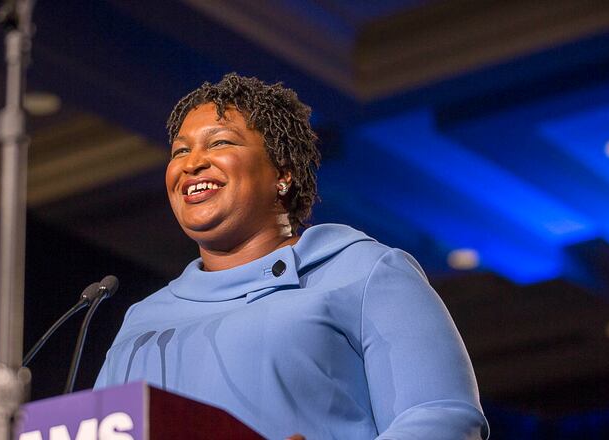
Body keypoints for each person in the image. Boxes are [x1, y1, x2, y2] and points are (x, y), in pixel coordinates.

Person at [94, 73, 489, 439]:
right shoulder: (143, 320)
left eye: (220, 142)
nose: (191, 163)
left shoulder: (364, 273)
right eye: (180, 151)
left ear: (282, 172)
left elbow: (442, 416)